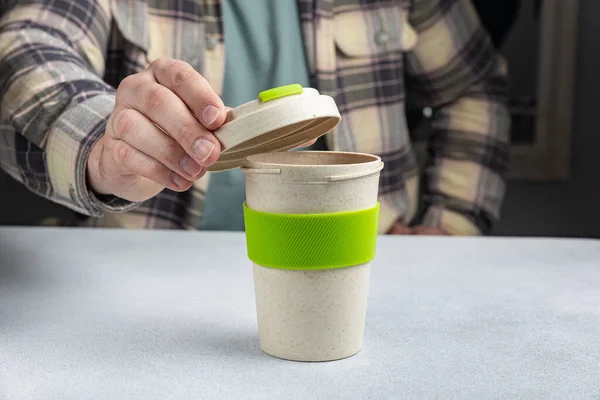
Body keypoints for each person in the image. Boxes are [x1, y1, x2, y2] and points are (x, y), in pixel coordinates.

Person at [0, 0, 510, 235]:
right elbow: (25, 47)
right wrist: (102, 146)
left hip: (364, 258)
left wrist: (451, 227)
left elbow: (471, 85)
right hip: (143, 267)